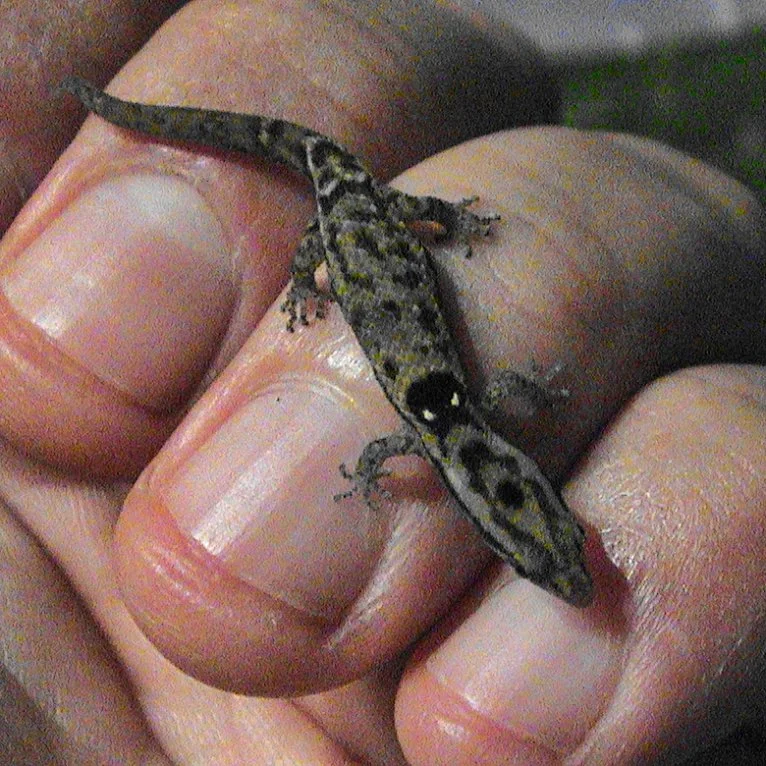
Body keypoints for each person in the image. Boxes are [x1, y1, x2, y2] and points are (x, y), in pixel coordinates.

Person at [0, 1, 763, 763]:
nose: (558, 566)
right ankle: (126, 116)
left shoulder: (469, 419)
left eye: (543, 554)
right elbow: (435, 428)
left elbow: (473, 413)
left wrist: (379, 460)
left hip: (368, 229)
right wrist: (312, 282)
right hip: (354, 218)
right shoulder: (444, 429)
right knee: (362, 223)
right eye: (551, 548)